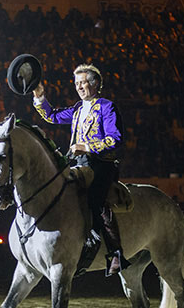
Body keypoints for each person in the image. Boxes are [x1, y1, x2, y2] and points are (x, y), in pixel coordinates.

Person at [32, 63, 129, 276]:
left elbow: (116, 139)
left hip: (102, 164)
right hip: (78, 164)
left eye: (83, 82)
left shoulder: (107, 106)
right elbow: (52, 116)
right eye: (76, 83)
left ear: (95, 84)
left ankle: (116, 253)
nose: (79, 87)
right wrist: (40, 96)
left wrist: (86, 147)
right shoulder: (77, 108)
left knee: (95, 200)